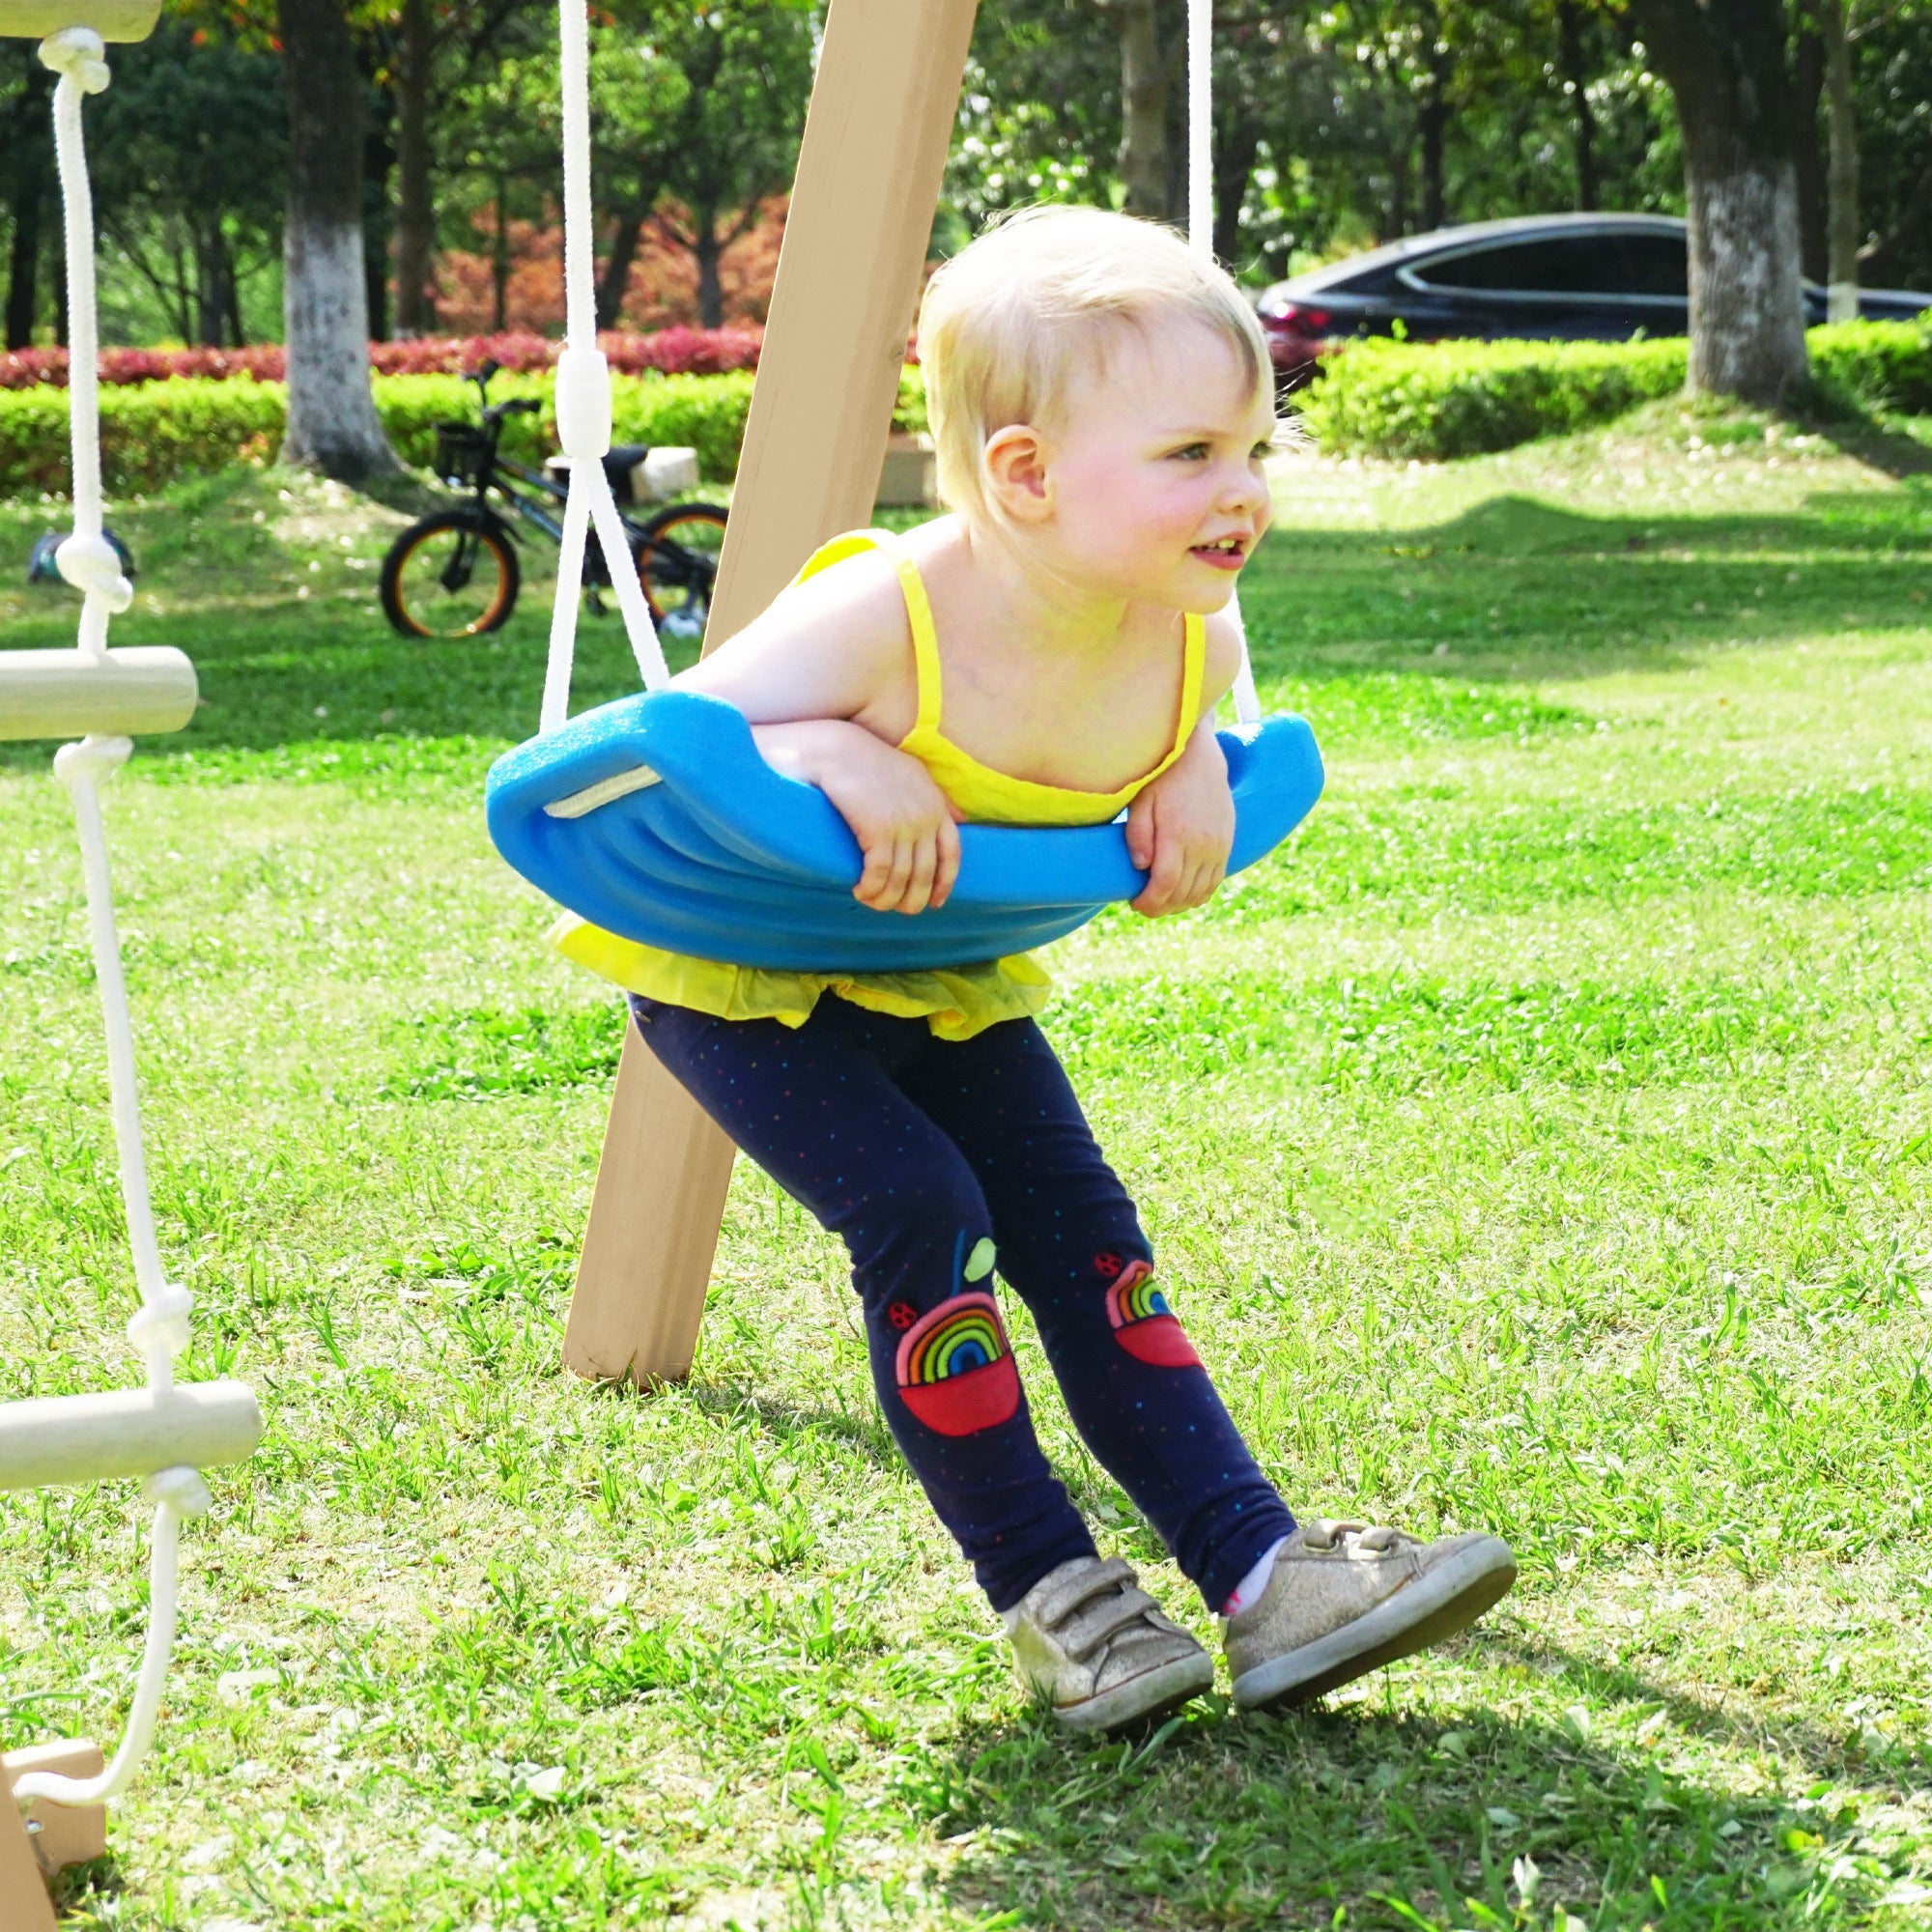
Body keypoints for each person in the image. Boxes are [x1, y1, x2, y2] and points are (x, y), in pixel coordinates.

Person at [552, 207, 1516, 1731]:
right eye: (1194, 454)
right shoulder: (892, 607)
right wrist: (835, 757)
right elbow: (692, 734)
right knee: (923, 1213)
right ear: (1025, 476)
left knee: (1086, 1231)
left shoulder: (1186, 632)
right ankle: (1054, 1600)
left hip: (944, 970)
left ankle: (1266, 1576)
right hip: (742, 975)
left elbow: (1178, 726)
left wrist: (1193, 761)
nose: (1244, 491)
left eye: (1257, 450)